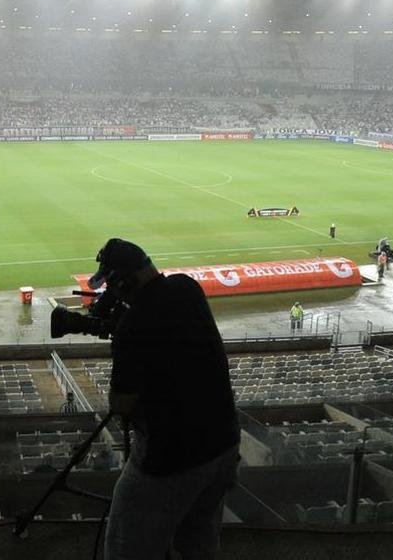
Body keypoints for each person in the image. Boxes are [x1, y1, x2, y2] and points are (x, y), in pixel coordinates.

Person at [90, 238, 240, 560]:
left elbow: (122, 405)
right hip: (224, 443)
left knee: (127, 544)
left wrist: (122, 335)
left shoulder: (133, 326)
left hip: (173, 459)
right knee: (199, 542)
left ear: (123, 281)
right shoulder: (188, 288)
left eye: (114, 285)